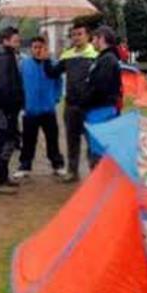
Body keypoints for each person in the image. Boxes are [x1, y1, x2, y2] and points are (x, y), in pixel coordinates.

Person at [44, 23, 98, 183]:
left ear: (88, 36)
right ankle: (72, 172)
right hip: (71, 106)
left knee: (92, 142)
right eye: (73, 35)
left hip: (90, 107)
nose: (76, 37)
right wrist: (47, 57)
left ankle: (95, 174)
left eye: (79, 34)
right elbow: (52, 73)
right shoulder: (67, 56)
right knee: (72, 140)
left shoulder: (95, 55)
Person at [15, 36, 64, 180]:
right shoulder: (24, 64)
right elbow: (19, 85)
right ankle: (25, 166)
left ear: (45, 48)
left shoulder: (52, 64)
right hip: (30, 109)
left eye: (40, 47)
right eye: (35, 47)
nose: (38, 50)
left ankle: (57, 164)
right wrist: (22, 103)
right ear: (31, 49)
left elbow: (59, 83)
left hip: (48, 109)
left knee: (52, 138)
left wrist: (55, 98)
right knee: (28, 139)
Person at [0, 26, 24, 194]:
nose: (18, 43)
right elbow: (3, 87)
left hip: (8, 108)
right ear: (5, 41)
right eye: (15, 40)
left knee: (8, 143)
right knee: (3, 143)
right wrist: (11, 106)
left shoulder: (8, 55)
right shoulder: (3, 58)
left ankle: (3, 176)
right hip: (3, 109)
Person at [85, 26, 123, 126]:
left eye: (93, 38)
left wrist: (86, 98)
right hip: (97, 109)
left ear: (101, 38)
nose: (92, 42)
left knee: (101, 141)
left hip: (103, 110)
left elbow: (101, 86)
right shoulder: (102, 58)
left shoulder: (108, 60)